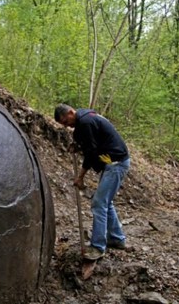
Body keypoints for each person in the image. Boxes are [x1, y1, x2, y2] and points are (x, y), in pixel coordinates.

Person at [54, 104, 130, 260]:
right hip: (113, 162)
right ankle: (117, 238)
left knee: (99, 203)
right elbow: (92, 142)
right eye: (63, 125)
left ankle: (97, 247)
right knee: (105, 203)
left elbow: (91, 152)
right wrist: (78, 145)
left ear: (70, 112)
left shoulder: (86, 122)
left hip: (115, 163)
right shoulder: (85, 119)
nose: (67, 126)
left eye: (66, 122)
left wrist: (81, 176)